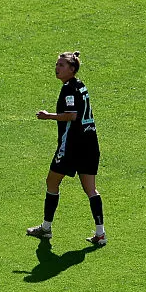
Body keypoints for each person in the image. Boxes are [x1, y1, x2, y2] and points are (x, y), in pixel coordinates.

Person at [26, 51, 106, 246]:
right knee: (91, 189)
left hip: (72, 145)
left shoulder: (69, 89)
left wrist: (48, 116)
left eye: (62, 65)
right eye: (57, 64)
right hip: (90, 143)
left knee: (51, 182)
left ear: (72, 69)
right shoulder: (80, 86)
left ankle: (46, 228)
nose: (57, 68)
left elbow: (71, 115)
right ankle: (100, 233)